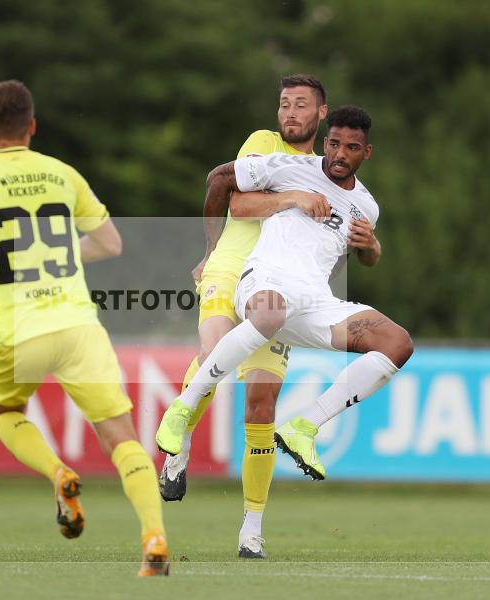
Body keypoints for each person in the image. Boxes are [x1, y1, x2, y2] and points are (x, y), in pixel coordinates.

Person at [0, 80, 169, 577]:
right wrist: (61, 254)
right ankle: (154, 539)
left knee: (4, 409)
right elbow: (110, 243)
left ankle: (58, 472)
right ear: (32, 126)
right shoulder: (63, 174)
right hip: (80, 326)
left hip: (21, 332)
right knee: (122, 436)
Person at [157, 104, 413, 532]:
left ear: (366, 153)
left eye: (350, 148)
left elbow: (366, 257)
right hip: (263, 282)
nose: (338, 154)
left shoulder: (366, 204)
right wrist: (212, 249)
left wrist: (370, 245)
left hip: (313, 302)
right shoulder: (290, 166)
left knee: (398, 343)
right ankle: (182, 409)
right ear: (325, 141)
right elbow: (223, 182)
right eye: (333, 143)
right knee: (271, 315)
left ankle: (304, 427)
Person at [159, 74, 330, 559]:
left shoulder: (326, 171)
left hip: (278, 286)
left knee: (260, 405)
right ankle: (179, 451)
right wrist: (211, 249)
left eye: (300, 105)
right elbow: (237, 198)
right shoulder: (264, 143)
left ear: (321, 113)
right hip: (232, 266)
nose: (289, 113)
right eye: (284, 104)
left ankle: (251, 530)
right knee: (214, 354)